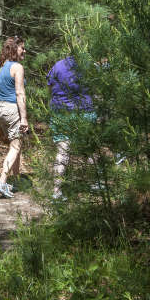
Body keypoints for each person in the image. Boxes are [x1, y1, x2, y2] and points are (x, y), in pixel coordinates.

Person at [47, 55, 95, 199]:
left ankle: (56, 191)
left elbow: (49, 88)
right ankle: (94, 183)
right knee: (90, 150)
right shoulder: (88, 65)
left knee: (62, 151)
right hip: (84, 111)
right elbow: (97, 89)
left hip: (61, 113)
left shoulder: (58, 65)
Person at [0, 36, 28, 198]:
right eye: (22, 48)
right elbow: (20, 93)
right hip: (13, 109)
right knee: (15, 147)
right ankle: (2, 181)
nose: (24, 51)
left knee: (15, 144)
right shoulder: (17, 67)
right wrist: (24, 118)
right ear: (14, 49)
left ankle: (16, 179)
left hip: (0, 109)